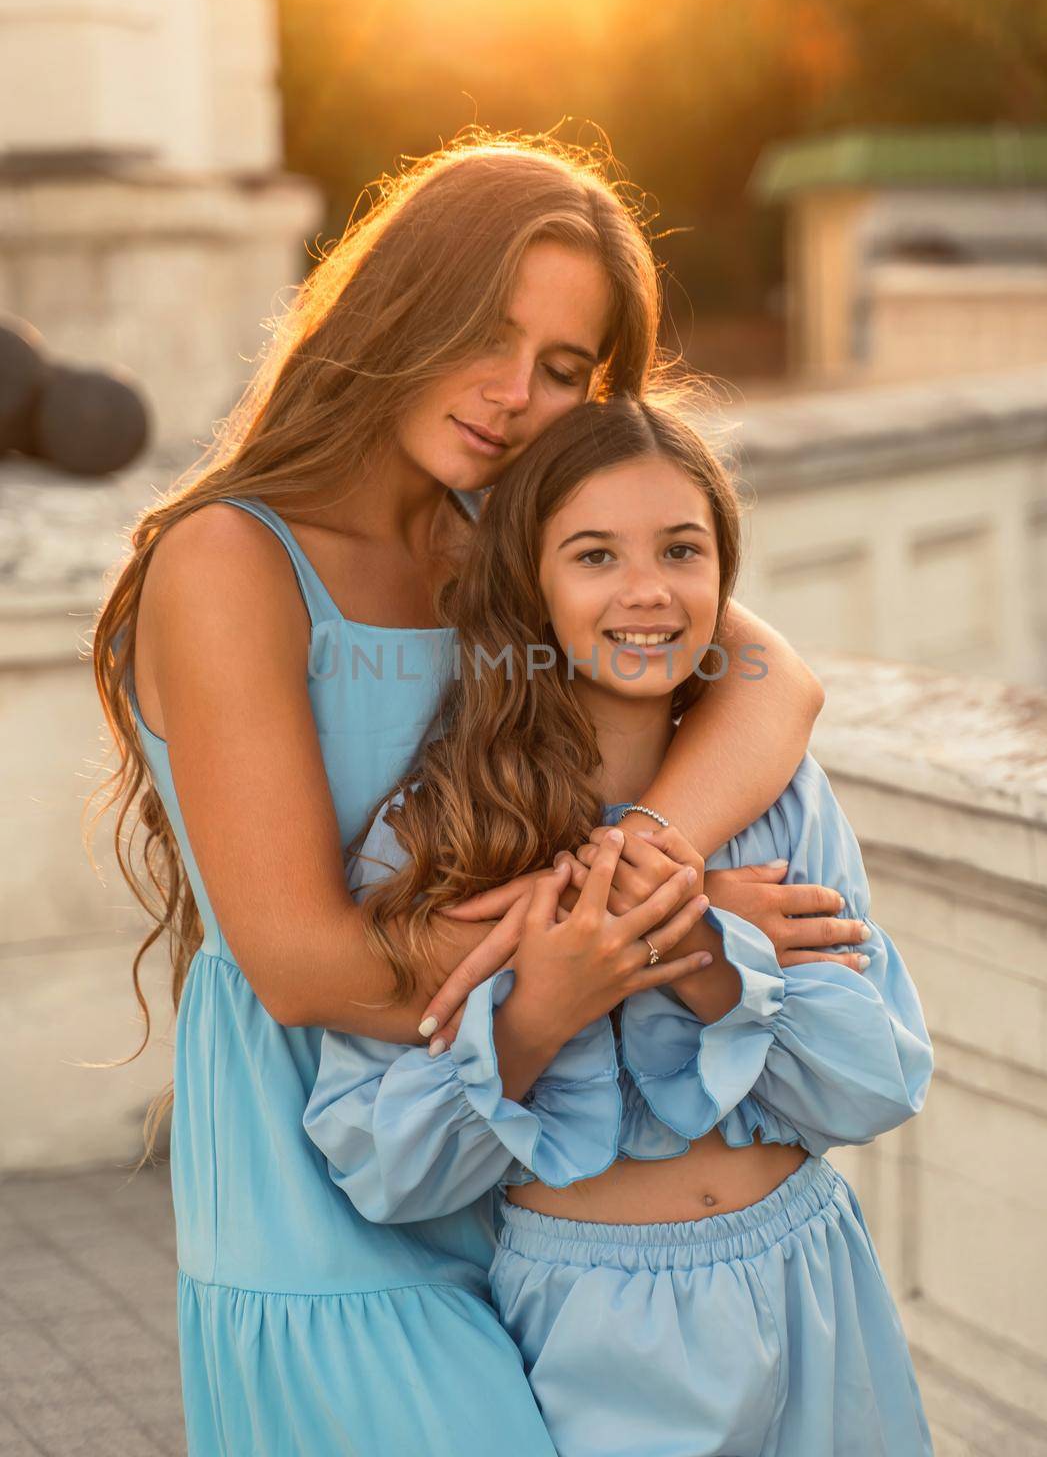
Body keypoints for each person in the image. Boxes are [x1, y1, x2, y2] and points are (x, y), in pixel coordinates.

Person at [90, 133, 855, 1456]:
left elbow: (770, 677)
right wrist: (643, 936)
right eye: (481, 335)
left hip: (523, 1152)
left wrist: (648, 870)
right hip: (315, 1195)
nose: (511, 395)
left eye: (564, 370)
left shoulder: (498, 549)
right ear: (397, 308)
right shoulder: (230, 560)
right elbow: (301, 965)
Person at [304, 395, 935, 1456]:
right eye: (593, 555)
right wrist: (538, 1010)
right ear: (529, 586)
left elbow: (876, 1083)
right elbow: (382, 1166)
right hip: (597, 1323)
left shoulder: (781, 800)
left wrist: (698, 953)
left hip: (813, 1276)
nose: (646, 591)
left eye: (681, 549)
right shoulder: (437, 832)